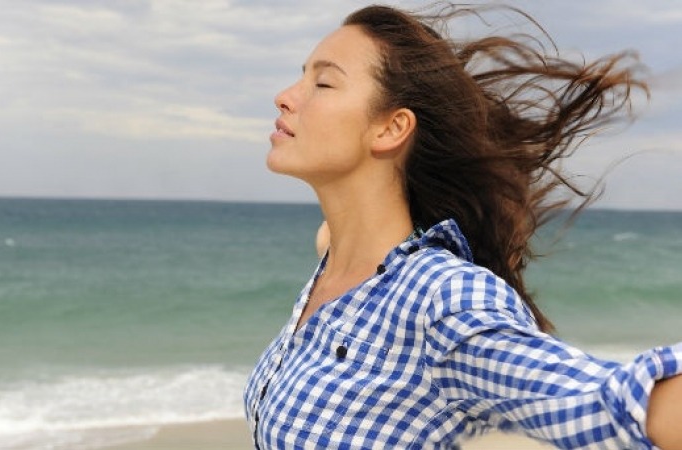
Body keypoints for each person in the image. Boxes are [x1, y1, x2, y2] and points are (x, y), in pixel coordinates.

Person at [244, 4, 682, 449]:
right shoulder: (340, 262)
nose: (285, 95)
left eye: (322, 83)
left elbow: (606, 402)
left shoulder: (441, 298)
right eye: (302, 76)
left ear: (392, 128)